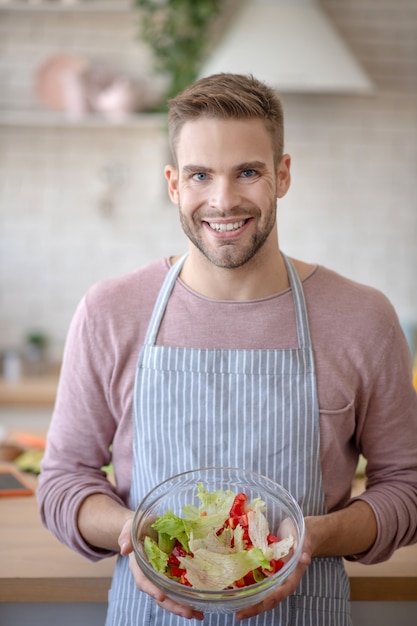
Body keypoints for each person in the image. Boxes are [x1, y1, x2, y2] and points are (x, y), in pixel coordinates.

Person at [37, 73, 417, 626]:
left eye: (248, 172)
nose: (223, 200)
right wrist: (131, 532)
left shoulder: (363, 319)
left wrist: (316, 537)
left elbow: (407, 486)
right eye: (200, 175)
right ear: (173, 184)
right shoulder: (110, 311)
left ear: (282, 175)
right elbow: (64, 480)